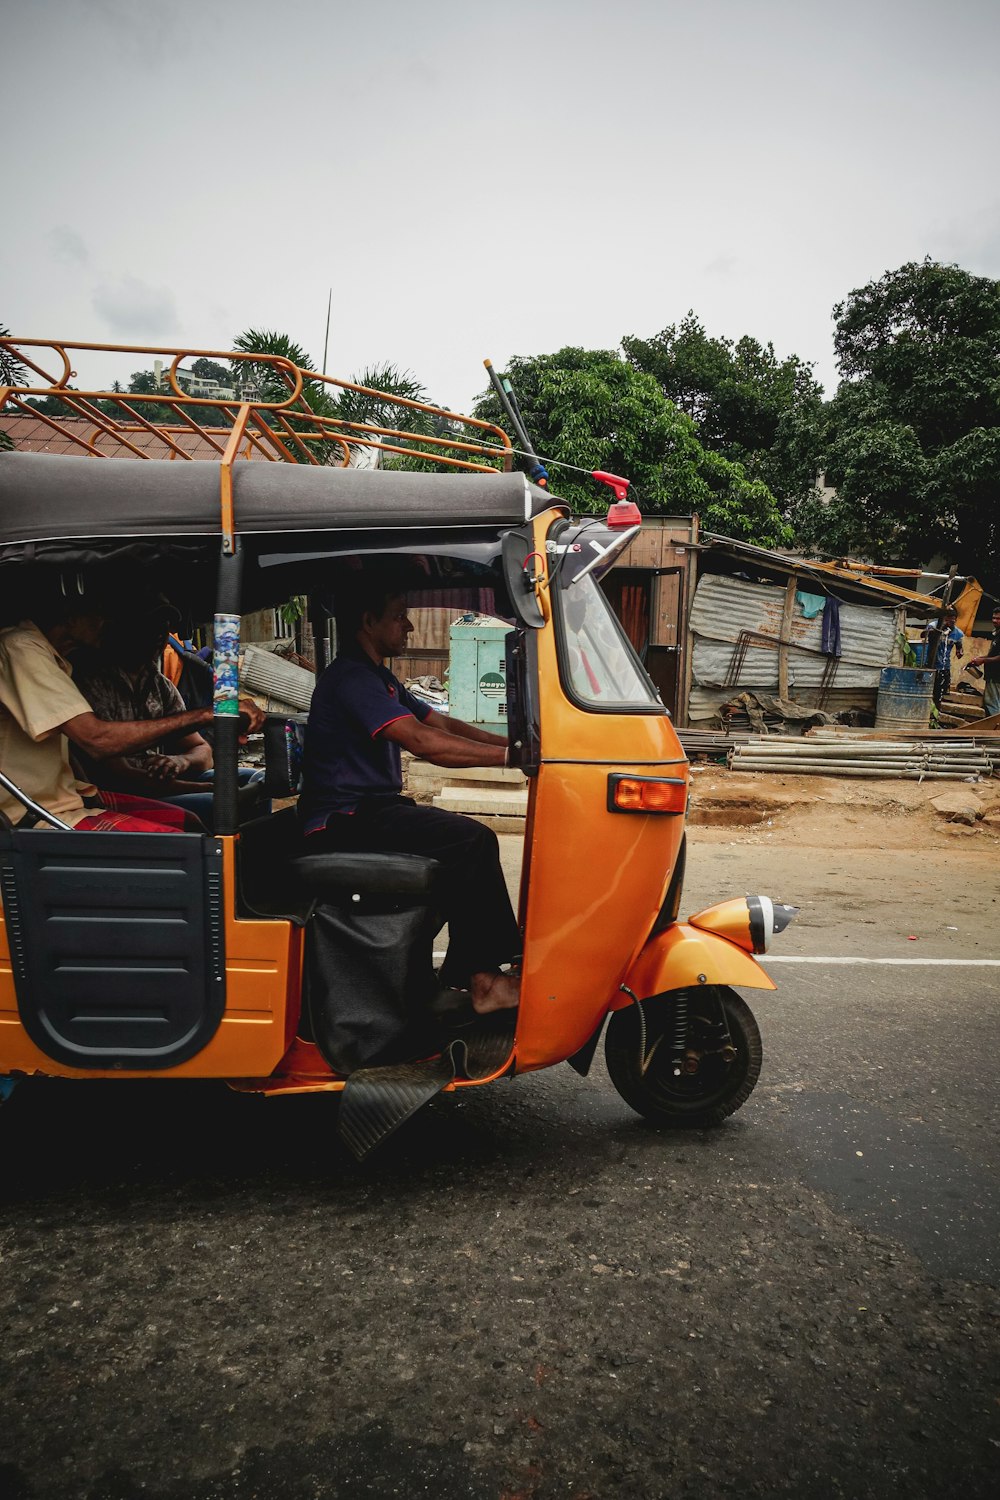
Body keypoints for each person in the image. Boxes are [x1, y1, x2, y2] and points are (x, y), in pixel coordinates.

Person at [299, 570, 520, 1015]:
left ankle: (464, 976)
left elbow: (438, 722)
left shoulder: (381, 679)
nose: (410, 627)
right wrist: (509, 761)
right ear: (368, 621)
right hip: (344, 820)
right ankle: (482, 980)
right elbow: (422, 742)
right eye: (399, 617)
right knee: (471, 840)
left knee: (460, 847)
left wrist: (514, 746)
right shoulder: (351, 679)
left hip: (369, 811)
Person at [0, 588, 265, 834]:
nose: (107, 622)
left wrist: (180, 761)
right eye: (101, 613)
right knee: (184, 841)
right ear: (70, 614)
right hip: (36, 813)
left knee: (249, 784)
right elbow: (96, 741)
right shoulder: (22, 648)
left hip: (73, 797)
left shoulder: (156, 683)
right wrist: (209, 714)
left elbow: (65, 753)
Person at [70, 597, 265, 823]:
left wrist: (181, 761)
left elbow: (202, 752)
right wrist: (197, 787)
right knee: (219, 802)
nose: (158, 636)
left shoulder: (159, 684)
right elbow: (118, 774)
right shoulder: (94, 681)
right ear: (125, 629)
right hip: (124, 793)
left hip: (163, 781)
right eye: (149, 627)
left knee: (256, 779)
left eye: (164, 628)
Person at [924, 607, 964, 710]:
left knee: (940, 693)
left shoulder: (958, 633)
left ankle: (936, 713)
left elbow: (959, 647)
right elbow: (923, 635)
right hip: (930, 664)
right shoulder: (933, 626)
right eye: (948, 618)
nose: (951, 621)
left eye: (953, 619)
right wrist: (938, 630)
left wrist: (959, 651)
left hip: (944, 666)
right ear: (942, 618)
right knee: (927, 691)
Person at [969, 604, 1000, 719]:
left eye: (998, 618)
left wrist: (983, 661)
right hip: (993, 675)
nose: (995, 621)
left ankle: (996, 731)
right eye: (993, 618)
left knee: (992, 704)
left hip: (997, 676)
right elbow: (994, 654)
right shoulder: (997, 634)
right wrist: (981, 658)